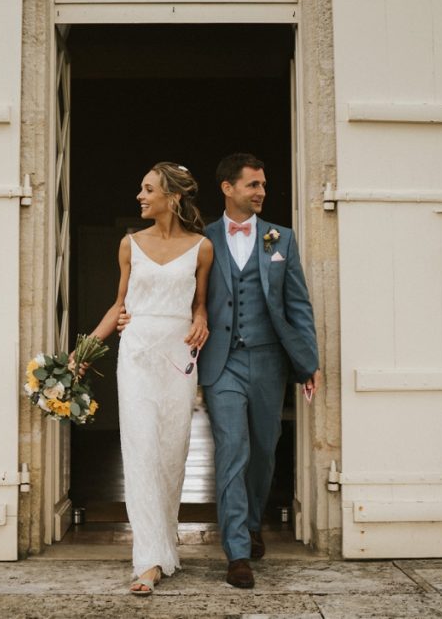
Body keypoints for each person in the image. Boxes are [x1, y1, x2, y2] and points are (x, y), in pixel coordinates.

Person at [121, 153, 321, 589]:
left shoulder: (280, 239)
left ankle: (250, 522)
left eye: (263, 185)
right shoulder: (202, 239)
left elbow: (297, 304)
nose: (261, 192)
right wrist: (132, 317)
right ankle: (237, 552)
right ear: (228, 188)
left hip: (269, 360)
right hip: (222, 361)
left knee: (265, 452)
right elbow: (185, 297)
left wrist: (309, 363)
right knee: (233, 450)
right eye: (253, 184)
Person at [80, 162, 213, 596]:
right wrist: (81, 355)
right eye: (141, 188)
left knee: (172, 452)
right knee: (139, 450)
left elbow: (201, 304)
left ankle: (165, 541)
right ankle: (148, 561)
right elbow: (119, 306)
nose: (140, 196)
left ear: (171, 197)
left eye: (148, 189)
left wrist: (201, 318)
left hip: (178, 357)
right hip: (135, 354)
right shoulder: (129, 244)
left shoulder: (201, 248)